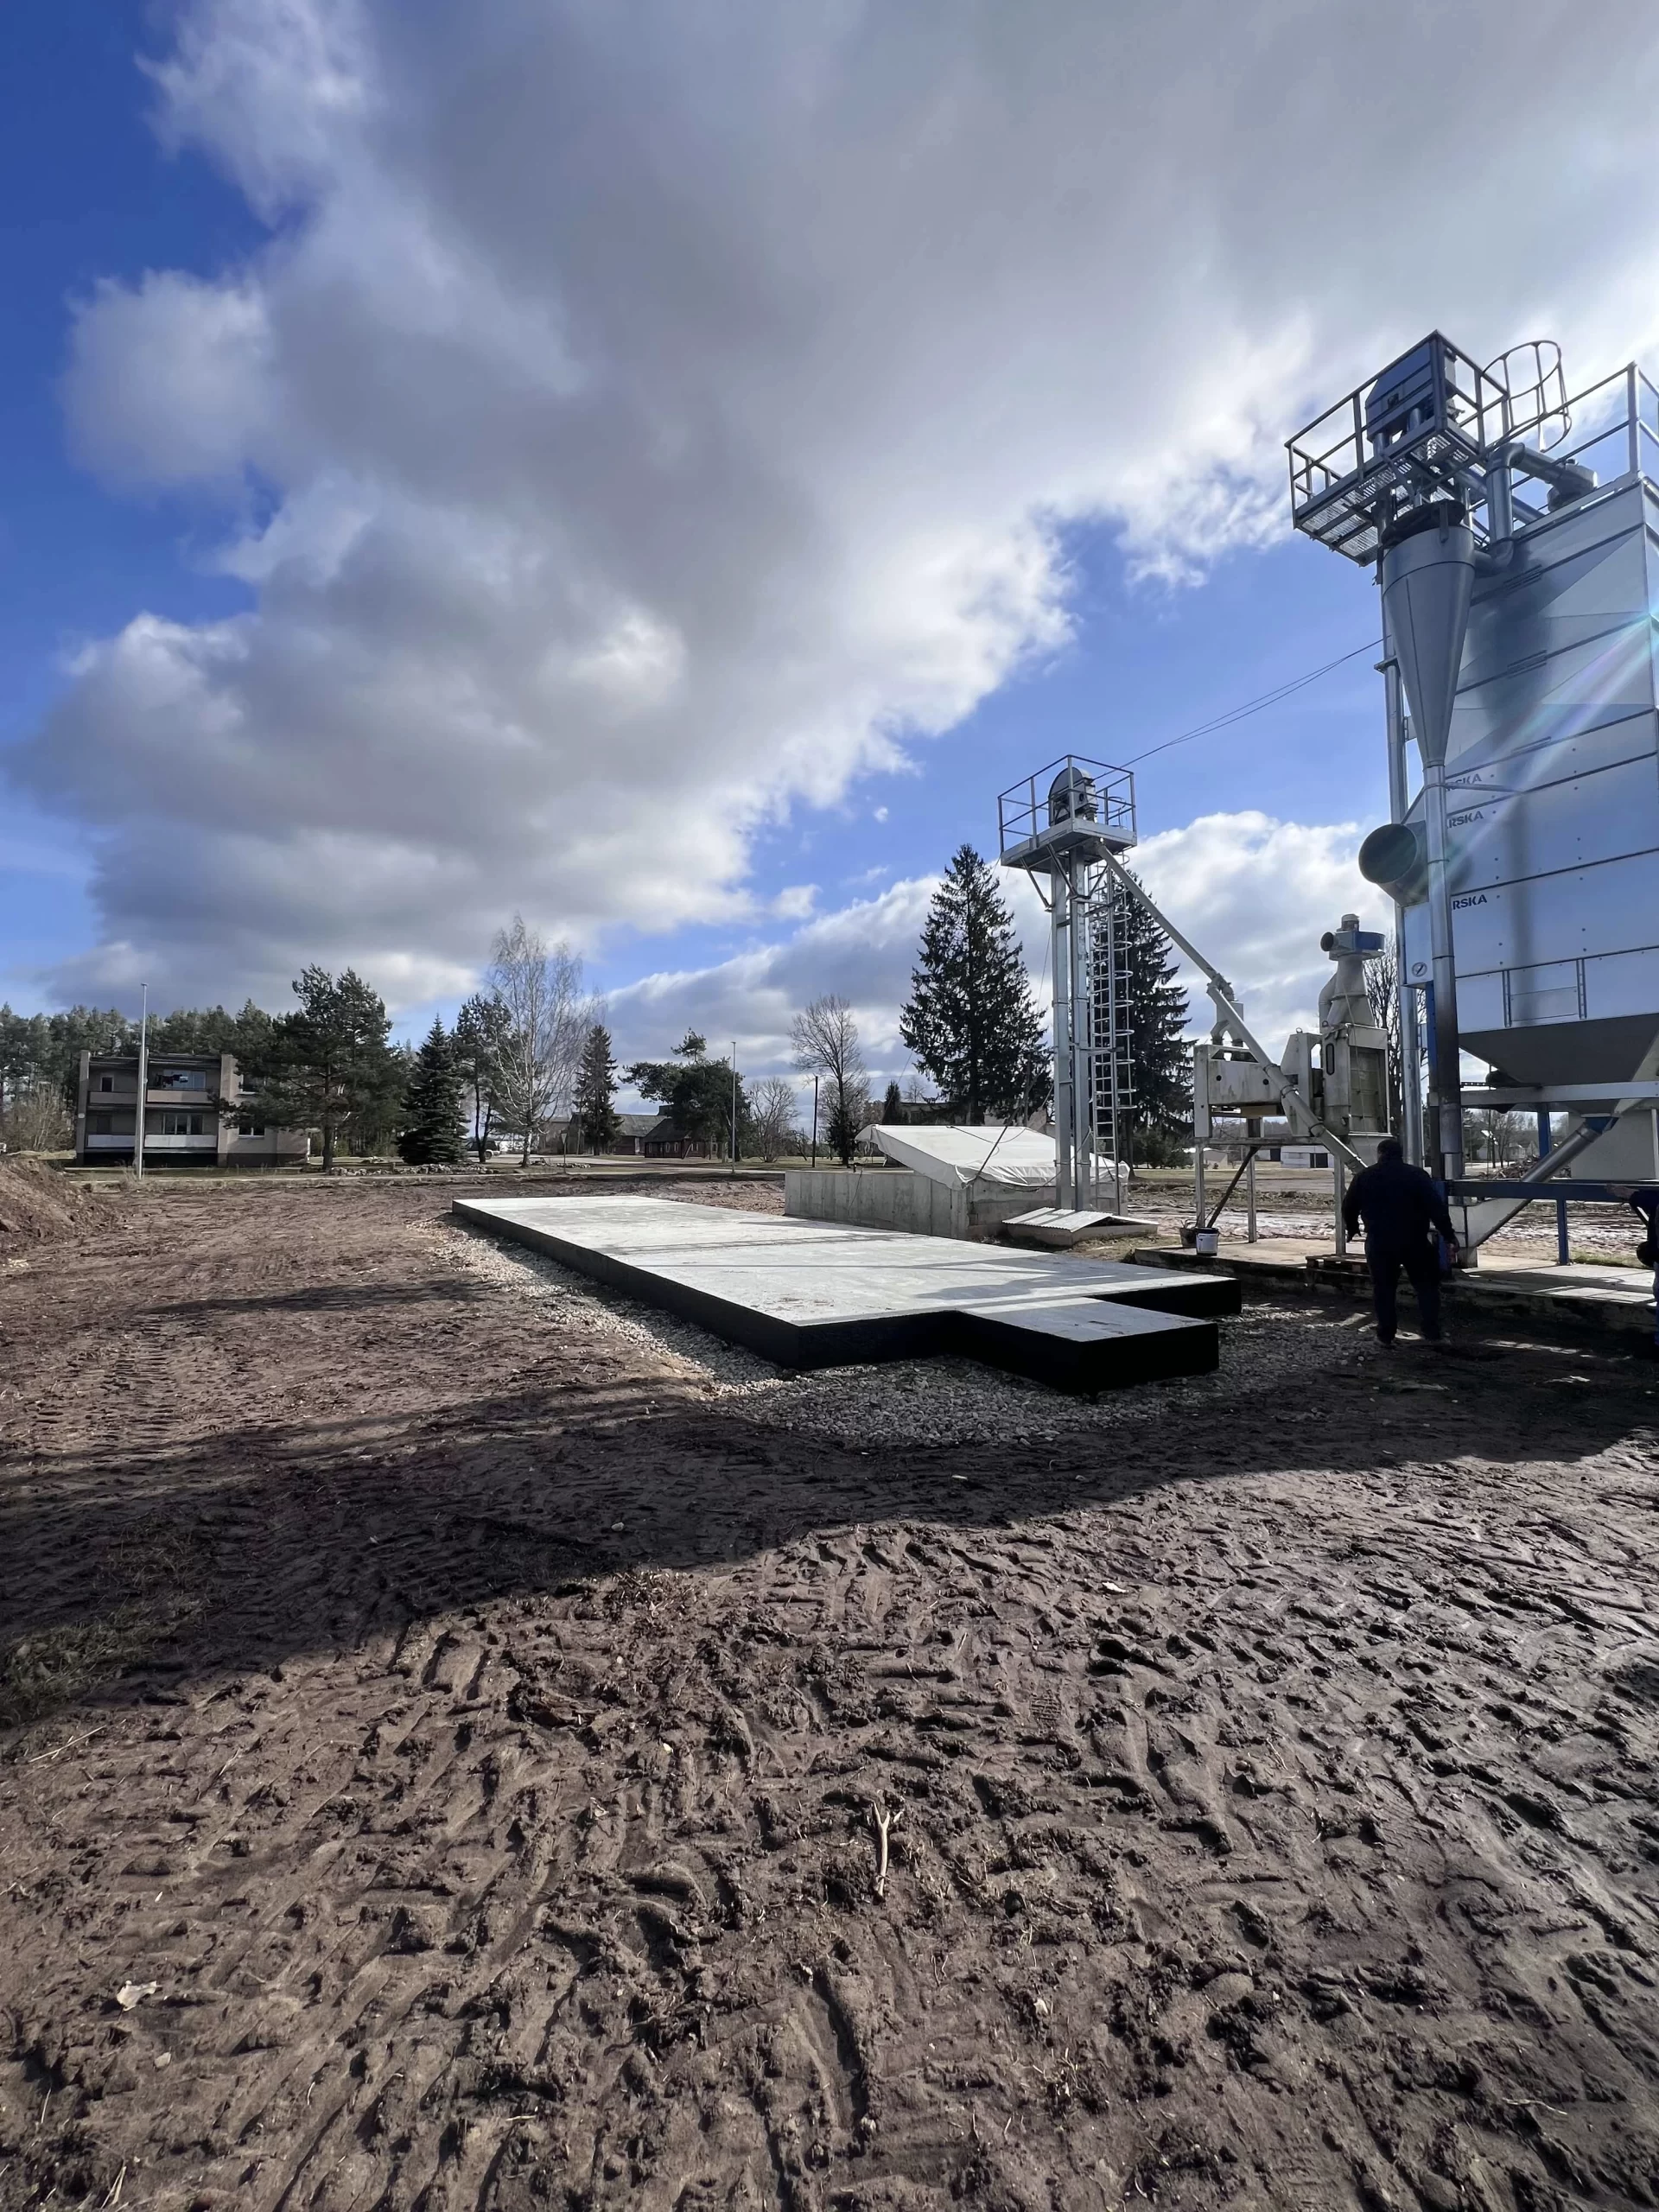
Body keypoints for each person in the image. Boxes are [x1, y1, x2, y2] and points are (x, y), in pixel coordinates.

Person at [1341, 1135, 1459, 1347]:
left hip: (1380, 1242)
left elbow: (1348, 1207)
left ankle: (1385, 1336)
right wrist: (1449, 1235)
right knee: (1426, 1287)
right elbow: (1436, 1209)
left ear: (1380, 1154)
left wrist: (1352, 1229)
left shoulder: (1364, 1176)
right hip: (1415, 1240)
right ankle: (1432, 1333)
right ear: (1401, 1155)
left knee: (1383, 1289)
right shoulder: (1417, 1175)